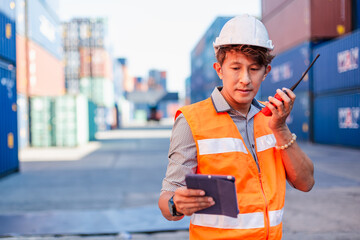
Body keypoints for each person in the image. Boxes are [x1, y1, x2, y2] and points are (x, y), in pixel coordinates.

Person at [158, 14, 314, 240]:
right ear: (219, 69)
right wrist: (176, 204)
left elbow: (306, 182)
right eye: (235, 68)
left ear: (266, 72)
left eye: (253, 69)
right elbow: (166, 204)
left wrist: (280, 128)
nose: (245, 79)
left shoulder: (272, 120)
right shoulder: (192, 120)